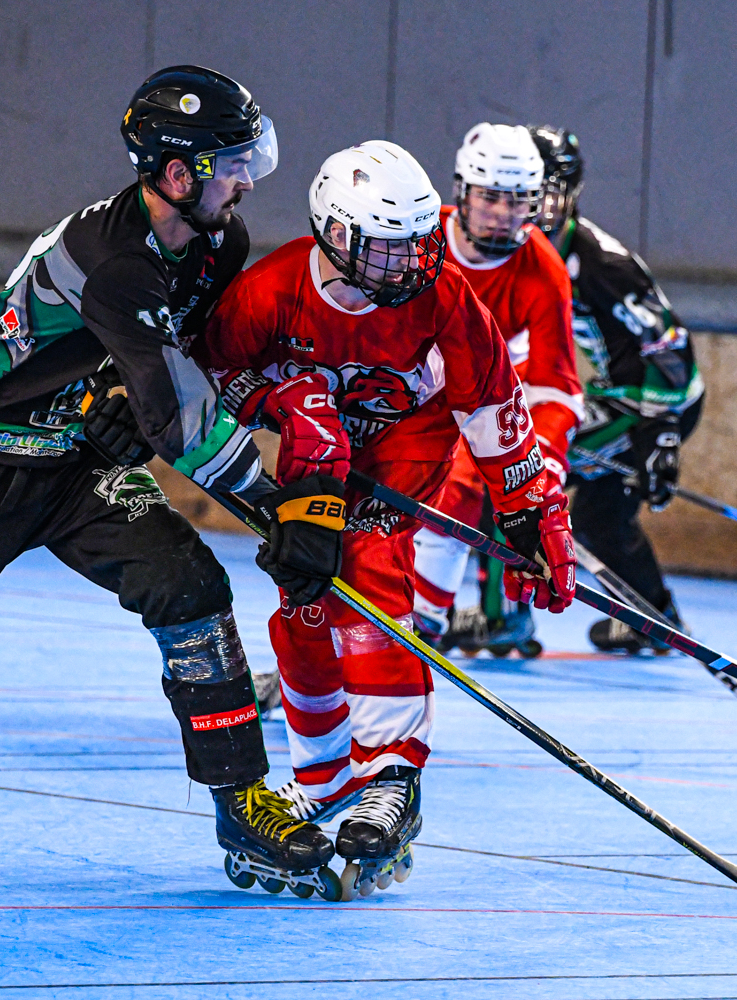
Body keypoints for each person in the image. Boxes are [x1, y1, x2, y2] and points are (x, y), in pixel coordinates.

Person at [0, 66, 345, 888]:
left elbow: (173, 359)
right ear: (178, 175)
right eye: (234, 160)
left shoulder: (218, 240)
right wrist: (277, 501)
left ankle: (243, 802)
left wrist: (114, 398)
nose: (248, 177)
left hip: (76, 463)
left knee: (189, 585)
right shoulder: (115, 260)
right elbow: (175, 406)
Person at [196, 139, 577, 897]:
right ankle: (324, 776)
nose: (412, 264)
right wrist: (276, 403)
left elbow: (495, 403)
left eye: (418, 246)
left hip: (412, 435)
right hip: (316, 446)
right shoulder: (268, 291)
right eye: (390, 249)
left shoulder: (439, 295)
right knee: (303, 596)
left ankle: (392, 775)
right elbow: (210, 369)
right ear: (337, 237)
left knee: (366, 570)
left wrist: (535, 510)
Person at [528, 124, 706, 653]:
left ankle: (502, 619)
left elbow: (671, 348)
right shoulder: (521, 254)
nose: (536, 210)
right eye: (526, 195)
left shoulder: (602, 265)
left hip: (652, 400)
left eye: (547, 195)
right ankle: (656, 619)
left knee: (520, 467)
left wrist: (661, 429)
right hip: (615, 395)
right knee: (598, 518)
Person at [409, 123, 582, 656]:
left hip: (473, 408)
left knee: (455, 492)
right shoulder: (416, 238)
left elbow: (558, 390)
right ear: (461, 190)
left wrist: (541, 473)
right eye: (490, 197)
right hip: (393, 397)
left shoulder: (545, 273)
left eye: (519, 200)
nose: (503, 213)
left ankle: (421, 626)